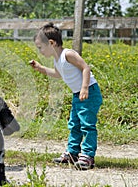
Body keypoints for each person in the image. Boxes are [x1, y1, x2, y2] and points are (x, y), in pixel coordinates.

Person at [29, 22, 103, 170]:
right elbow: (57, 74)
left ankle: (88, 156)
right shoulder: (57, 60)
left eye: (40, 48)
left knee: (87, 125)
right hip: (78, 96)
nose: (40, 51)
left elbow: (85, 68)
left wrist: (84, 88)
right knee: (74, 124)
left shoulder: (68, 54)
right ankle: (72, 152)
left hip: (89, 92)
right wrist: (40, 68)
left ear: (51, 43)